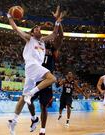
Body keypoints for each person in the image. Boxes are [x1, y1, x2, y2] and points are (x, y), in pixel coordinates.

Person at [7, 6, 63, 135]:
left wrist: (57, 21)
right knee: (52, 78)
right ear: (32, 33)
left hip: (32, 71)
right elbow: (15, 28)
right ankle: (30, 94)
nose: (39, 29)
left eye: (39, 28)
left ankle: (13, 120)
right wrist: (9, 16)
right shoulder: (29, 38)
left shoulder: (43, 41)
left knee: (23, 98)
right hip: (32, 66)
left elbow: (55, 34)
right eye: (36, 29)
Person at [27, 6, 65, 135]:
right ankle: (33, 119)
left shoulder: (52, 46)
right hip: (35, 77)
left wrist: (57, 22)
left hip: (46, 78)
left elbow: (60, 36)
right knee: (28, 100)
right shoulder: (34, 43)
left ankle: (42, 130)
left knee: (43, 106)